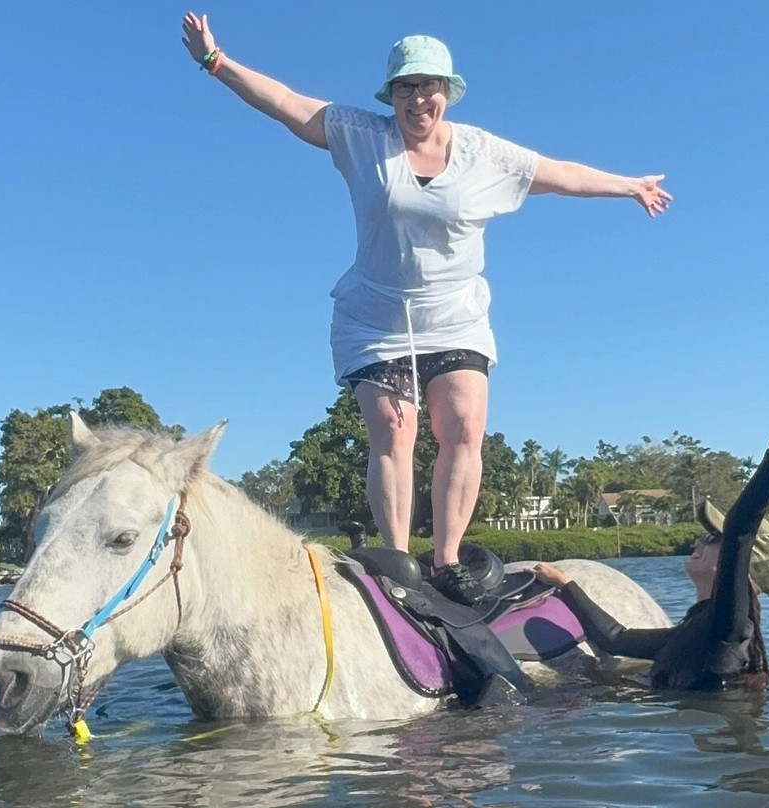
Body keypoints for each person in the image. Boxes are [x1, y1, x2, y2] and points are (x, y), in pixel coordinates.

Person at [181, 15, 672, 606]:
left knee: (463, 428)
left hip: (456, 315)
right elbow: (285, 102)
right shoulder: (360, 135)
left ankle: (445, 561)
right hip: (375, 317)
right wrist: (216, 62)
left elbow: (559, 173)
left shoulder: (483, 152)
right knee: (394, 428)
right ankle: (395, 559)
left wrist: (630, 185)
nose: (419, 98)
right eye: (406, 87)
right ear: (390, 95)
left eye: (429, 86)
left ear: (448, 92)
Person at [533, 391, 769, 690]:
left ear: (740, 567)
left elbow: (739, 530)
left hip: (717, 743)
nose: (699, 542)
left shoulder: (730, 628)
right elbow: (616, 638)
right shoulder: (692, 629)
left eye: (712, 538)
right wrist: (565, 583)